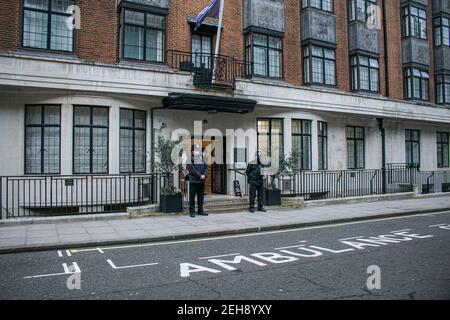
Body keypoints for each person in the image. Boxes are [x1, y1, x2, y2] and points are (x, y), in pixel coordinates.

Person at [186, 143, 208, 218]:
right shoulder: (189, 159)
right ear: (192, 151)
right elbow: (192, 170)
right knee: (192, 197)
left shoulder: (201, 158)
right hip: (194, 181)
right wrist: (200, 175)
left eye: (198, 150)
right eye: (195, 150)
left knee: (201, 196)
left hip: (201, 181)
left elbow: (206, 166)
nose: (197, 151)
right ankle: (192, 211)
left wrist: (204, 175)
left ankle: (200, 210)